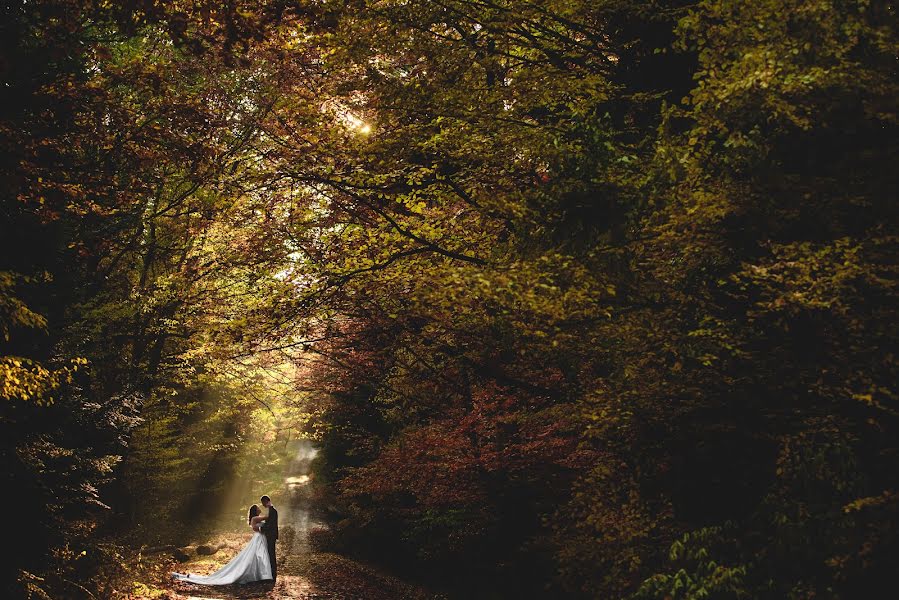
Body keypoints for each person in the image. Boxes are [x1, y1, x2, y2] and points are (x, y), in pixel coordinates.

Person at [171, 503, 273, 585]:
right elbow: (267, 518)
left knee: (259, 556)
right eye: (258, 508)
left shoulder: (257, 518)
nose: (260, 508)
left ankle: (260, 574)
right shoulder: (255, 518)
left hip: (261, 538)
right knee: (257, 555)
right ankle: (258, 575)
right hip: (259, 538)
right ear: (255, 510)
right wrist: (270, 508)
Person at [259, 495, 279, 581]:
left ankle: (273, 574)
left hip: (271, 535)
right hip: (271, 535)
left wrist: (261, 528)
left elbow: (270, 524)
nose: (262, 504)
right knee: (270, 554)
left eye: (263, 502)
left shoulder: (272, 511)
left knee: (271, 554)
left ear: (267, 501)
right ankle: (271, 573)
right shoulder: (271, 510)